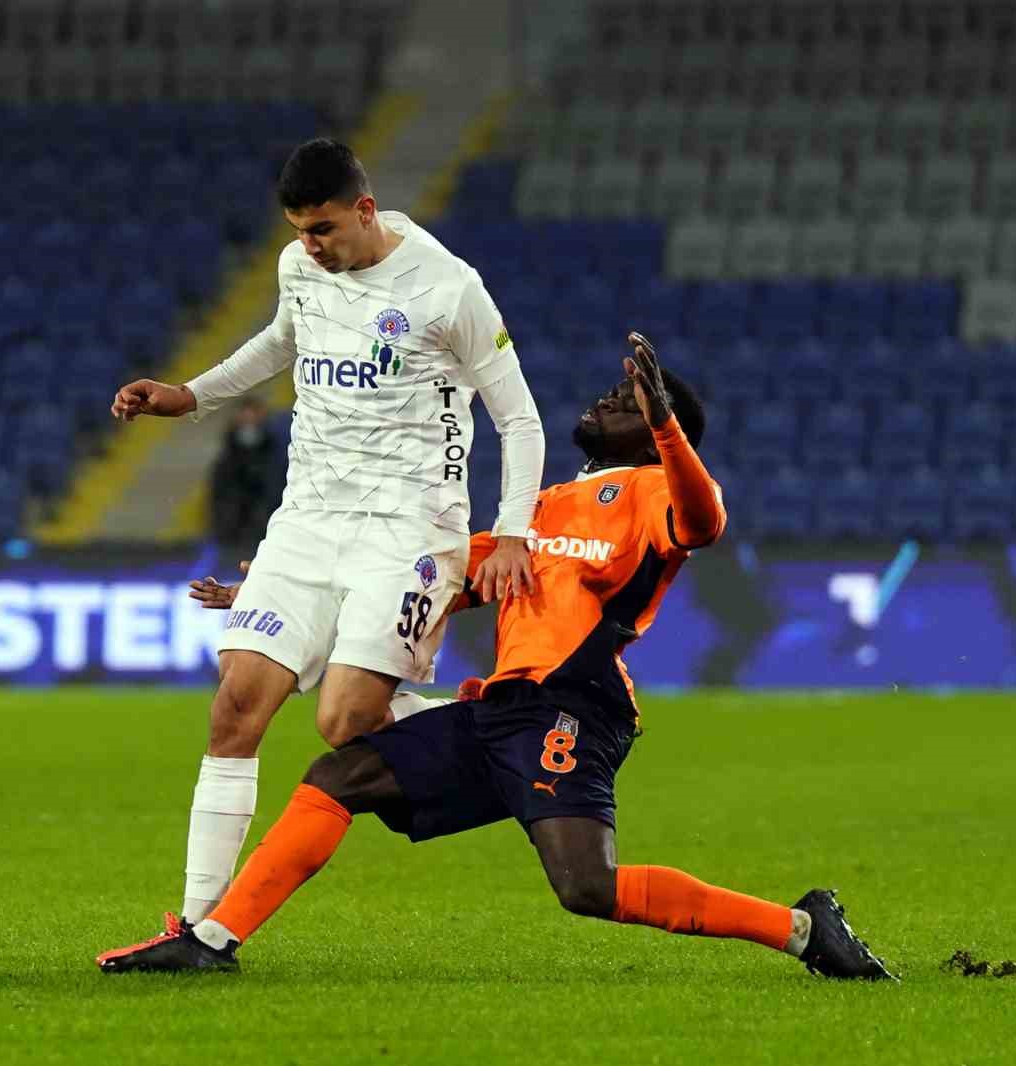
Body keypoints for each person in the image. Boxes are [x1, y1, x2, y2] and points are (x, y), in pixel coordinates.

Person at [99, 334, 896, 981]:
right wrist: (277, 592)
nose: (608, 401)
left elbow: (707, 520)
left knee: (587, 888)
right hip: (502, 708)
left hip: (574, 704)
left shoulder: (656, 491)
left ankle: (799, 929)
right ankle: (215, 940)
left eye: (629, 403)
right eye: (620, 397)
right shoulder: (543, 506)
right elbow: (440, 575)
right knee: (335, 776)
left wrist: (665, 430)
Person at [107, 138, 546, 933]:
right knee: (236, 705)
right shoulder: (300, 266)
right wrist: (189, 396)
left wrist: (513, 531)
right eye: (300, 231)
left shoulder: (449, 290)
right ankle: (199, 928)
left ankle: (495, 732)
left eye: (323, 230)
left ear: (366, 211)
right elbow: (282, 340)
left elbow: (519, 417)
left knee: (344, 723)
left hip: (409, 526)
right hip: (306, 520)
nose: (309, 247)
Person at [209, 398, 279, 561]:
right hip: (235, 498)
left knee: (257, 535)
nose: (249, 418)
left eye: (252, 414)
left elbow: (271, 469)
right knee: (232, 537)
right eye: (245, 414)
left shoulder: (269, 439)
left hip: (260, 497)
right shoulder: (230, 440)